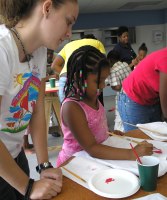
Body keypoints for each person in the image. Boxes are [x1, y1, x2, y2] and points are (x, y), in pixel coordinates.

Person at [0, 0, 78, 199]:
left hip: (15, 157)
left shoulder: (40, 52)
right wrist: (28, 187)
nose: (69, 33)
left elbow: (36, 111)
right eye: (68, 22)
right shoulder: (2, 48)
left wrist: (44, 165)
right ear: (47, 7)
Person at [56, 45, 153, 167]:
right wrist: (131, 154)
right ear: (78, 77)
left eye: (104, 80)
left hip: (94, 159)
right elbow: (92, 147)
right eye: (98, 81)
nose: (102, 86)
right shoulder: (72, 107)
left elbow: (94, 126)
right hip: (75, 164)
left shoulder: (92, 94)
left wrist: (107, 133)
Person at [118, 48, 167, 132]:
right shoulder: (165, 58)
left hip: (152, 99)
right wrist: (165, 117)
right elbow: (165, 94)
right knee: (138, 139)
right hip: (134, 98)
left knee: (157, 138)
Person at [51, 34, 106, 104]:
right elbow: (103, 65)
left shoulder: (68, 45)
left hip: (65, 80)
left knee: (67, 109)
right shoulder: (97, 43)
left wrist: (70, 75)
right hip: (86, 80)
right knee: (89, 110)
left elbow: (54, 65)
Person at [106, 50, 131, 131]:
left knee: (120, 118)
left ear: (109, 60)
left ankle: (119, 136)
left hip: (122, 97)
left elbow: (117, 87)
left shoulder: (113, 70)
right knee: (129, 116)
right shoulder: (125, 64)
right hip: (132, 93)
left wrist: (111, 85)